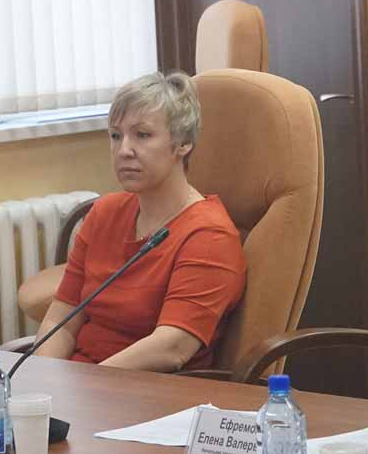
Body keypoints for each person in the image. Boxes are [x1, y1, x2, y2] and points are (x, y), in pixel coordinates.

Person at [32, 71, 246, 372]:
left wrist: (86, 385)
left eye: (142, 135)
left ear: (183, 143)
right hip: (80, 384)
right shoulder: (103, 213)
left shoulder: (209, 235)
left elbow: (172, 348)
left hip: (147, 390)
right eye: (115, 135)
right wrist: (43, 379)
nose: (124, 150)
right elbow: (62, 320)